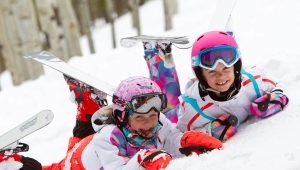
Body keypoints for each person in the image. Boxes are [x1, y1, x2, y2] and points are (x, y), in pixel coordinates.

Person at [43, 76, 222, 170]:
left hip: (92, 145)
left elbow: (169, 138)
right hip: (78, 164)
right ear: (123, 116)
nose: (149, 124)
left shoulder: (158, 121)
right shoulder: (109, 137)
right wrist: (141, 159)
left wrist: (184, 141)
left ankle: (89, 100)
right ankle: (17, 162)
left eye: (153, 116)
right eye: (140, 118)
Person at [142, 31, 289, 141]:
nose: (221, 76)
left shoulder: (254, 81)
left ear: (236, 67)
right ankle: (155, 53)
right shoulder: (193, 110)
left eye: (226, 68)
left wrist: (273, 100)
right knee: (167, 107)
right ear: (200, 75)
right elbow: (178, 136)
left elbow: (277, 86)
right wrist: (211, 130)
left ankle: (162, 51)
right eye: (212, 72)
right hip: (180, 111)